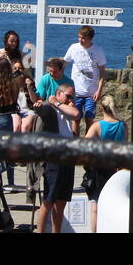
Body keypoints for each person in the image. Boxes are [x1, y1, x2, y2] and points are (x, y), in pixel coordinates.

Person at [0, 30, 37, 187]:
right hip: (5, 96)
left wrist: (23, 64)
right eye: (11, 40)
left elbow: (28, 74)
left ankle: (6, 182)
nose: (13, 43)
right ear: (6, 41)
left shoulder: (20, 55)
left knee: (1, 148)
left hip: (9, 96)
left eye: (15, 40)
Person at [34, 83, 82, 232]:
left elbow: (76, 117)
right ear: (59, 93)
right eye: (68, 96)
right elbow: (40, 108)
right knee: (48, 201)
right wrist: (50, 103)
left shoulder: (66, 109)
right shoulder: (51, 108)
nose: (70, 99)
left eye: (72, 96)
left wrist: (64, 104)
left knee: (61, 202)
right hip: (55, 159)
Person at [81, 95, 127, 232]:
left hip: (98, 169)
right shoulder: (122, 126)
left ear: (101, 108)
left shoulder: (97, 126)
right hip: (114, 169)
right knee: (113, 206)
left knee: (95, 207)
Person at [63, 25, 106, 133]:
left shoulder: (98, 50)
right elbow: (64, 64)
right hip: (75, 92)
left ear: (90, 38)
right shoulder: (74, 47)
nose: (80, 40)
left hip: (91, 93)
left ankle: (88, 142)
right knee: (75, 119)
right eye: (79, 37)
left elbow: (102, 71)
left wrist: (99, 90)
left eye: (83, 38)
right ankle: (75, 142)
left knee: (89, 118)